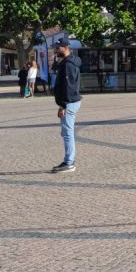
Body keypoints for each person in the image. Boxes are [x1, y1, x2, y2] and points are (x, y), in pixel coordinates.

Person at [49, 37, 81, 173]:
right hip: (70, 101)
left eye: (58, 48)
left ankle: (69, 162)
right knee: (66, 132)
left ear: (65, 47)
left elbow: (69, 86)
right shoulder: (68, 62)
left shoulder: (68, 65)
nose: (56, 50)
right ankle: (68, 160)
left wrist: (63, 105)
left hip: (69, 102)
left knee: (68, 133)